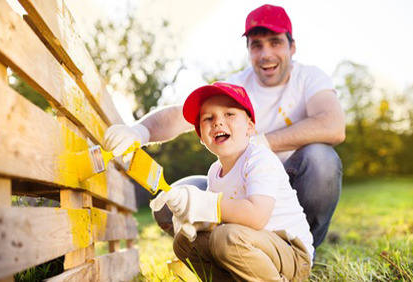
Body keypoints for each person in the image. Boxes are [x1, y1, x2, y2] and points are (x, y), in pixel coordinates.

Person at [104, 4, 345, 248]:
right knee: (170, 203)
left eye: (275, 42)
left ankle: (304, 250)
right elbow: (179, 115)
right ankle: (228, 259)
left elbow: (332, 124)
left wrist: (263, 143)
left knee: (322, 159)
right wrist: (139, 131)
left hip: (292, 184)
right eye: (257, 45)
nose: (266, 54)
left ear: (292, 47)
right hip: (242, 188)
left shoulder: (309, 78)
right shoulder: (236, 87)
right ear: (248, 50)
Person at [150, 82, 314, 281]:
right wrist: (192, 217)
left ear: (250, 126)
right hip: (249, 247)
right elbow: (216, 222)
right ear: (201, 136)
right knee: (185, 241)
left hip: (291, 255)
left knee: (225, 238)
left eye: (229, 114)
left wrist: (205, 203)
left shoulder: (259, 159)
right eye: (208, 118)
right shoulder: (214, 172)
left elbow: (256, 217)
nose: (218, 122)